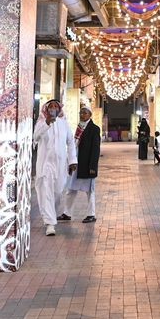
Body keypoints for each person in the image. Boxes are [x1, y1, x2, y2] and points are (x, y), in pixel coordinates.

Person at [31, 98, 74, 237]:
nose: (53, 108)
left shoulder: (63, 123)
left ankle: (51, 214)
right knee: (46, 191)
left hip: (60, 164)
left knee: (58, 191)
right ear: (47, 108)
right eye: (51, 106)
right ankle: (50, 223)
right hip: (46, 164)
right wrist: (47, 123)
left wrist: (72, 160)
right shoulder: (41, 122)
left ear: (59, 109)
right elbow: (35, 137)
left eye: (56, 106)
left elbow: (70, 142)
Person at [59, 105, 101, 224]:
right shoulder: (79, 128)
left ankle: (91, 214)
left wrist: (93, 166)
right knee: (71, 189)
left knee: (90, 191)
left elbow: (95, 149)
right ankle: (67, 213)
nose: (82, 115)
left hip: (87, 165)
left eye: (85, 113)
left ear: (90, 115)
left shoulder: (94, 129)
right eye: (81, 113)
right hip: (76, 164)